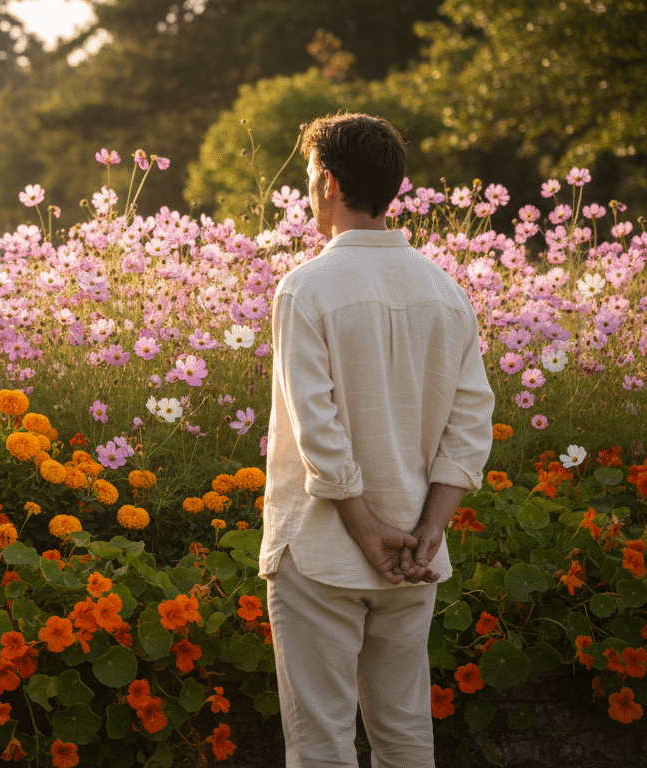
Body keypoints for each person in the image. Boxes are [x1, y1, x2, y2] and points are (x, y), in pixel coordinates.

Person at [259, 113, 494, 767]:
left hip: (323, 549)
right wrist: (430, 530)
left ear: (329, 183)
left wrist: (364, 530)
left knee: (321, 743)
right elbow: (471, 425)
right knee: (405, 734)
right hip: (415, 552)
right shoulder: (446, 293)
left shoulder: (305, 288)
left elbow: (318, 430)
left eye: (310, 176)